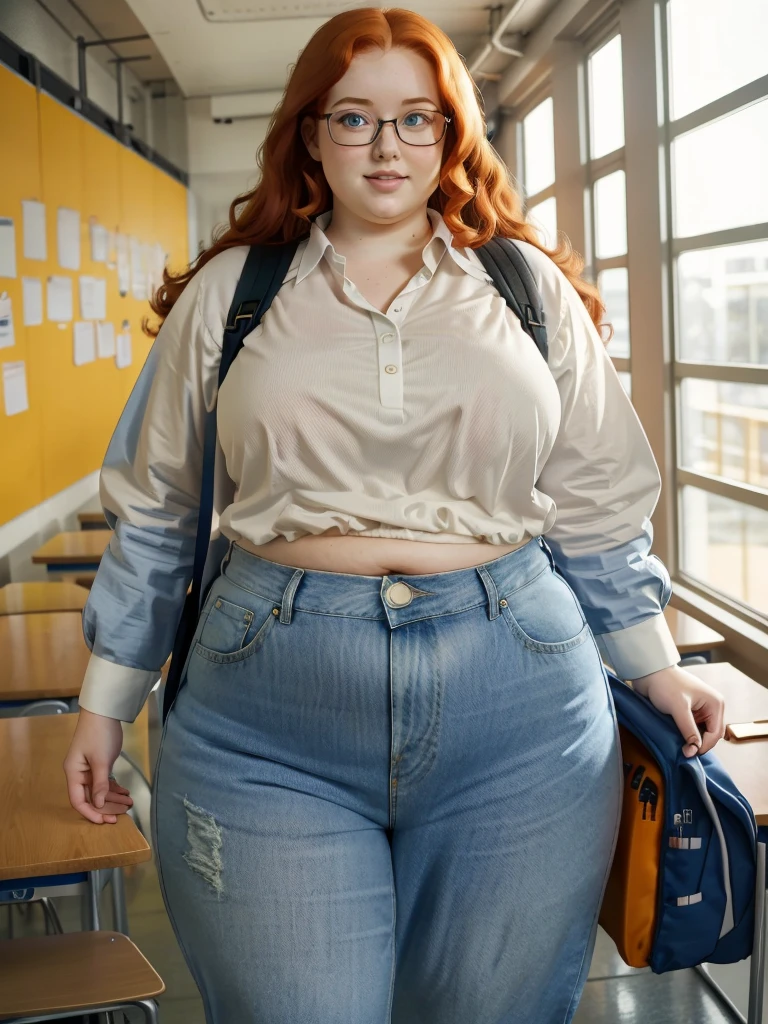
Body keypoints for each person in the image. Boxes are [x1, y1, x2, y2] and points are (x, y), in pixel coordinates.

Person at [63, 7, 725, 1022]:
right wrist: (105, 699)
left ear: (450, 137)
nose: (386, 146)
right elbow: (156, 506)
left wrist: (654, 658)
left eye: (416, 118)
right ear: (311, 136)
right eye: (355, 118)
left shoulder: (523, 288)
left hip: (523, 708)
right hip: (265, 714)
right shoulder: (235, 293)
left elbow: (596, 496)